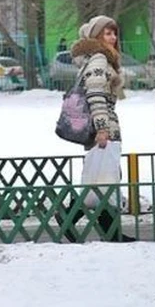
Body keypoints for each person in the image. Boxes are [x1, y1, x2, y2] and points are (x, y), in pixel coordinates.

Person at [57, 15, 135, 243]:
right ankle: (69, 216)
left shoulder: (101, 59)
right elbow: (96, 95)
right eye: (107, 33)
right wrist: (102, 129)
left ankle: (111, 231)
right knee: (101, 182)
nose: (113, 37)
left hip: (105, 127)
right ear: (96, 37)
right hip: (103, 128)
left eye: (114, 33)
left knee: (104, 180)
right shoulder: (100, 59)